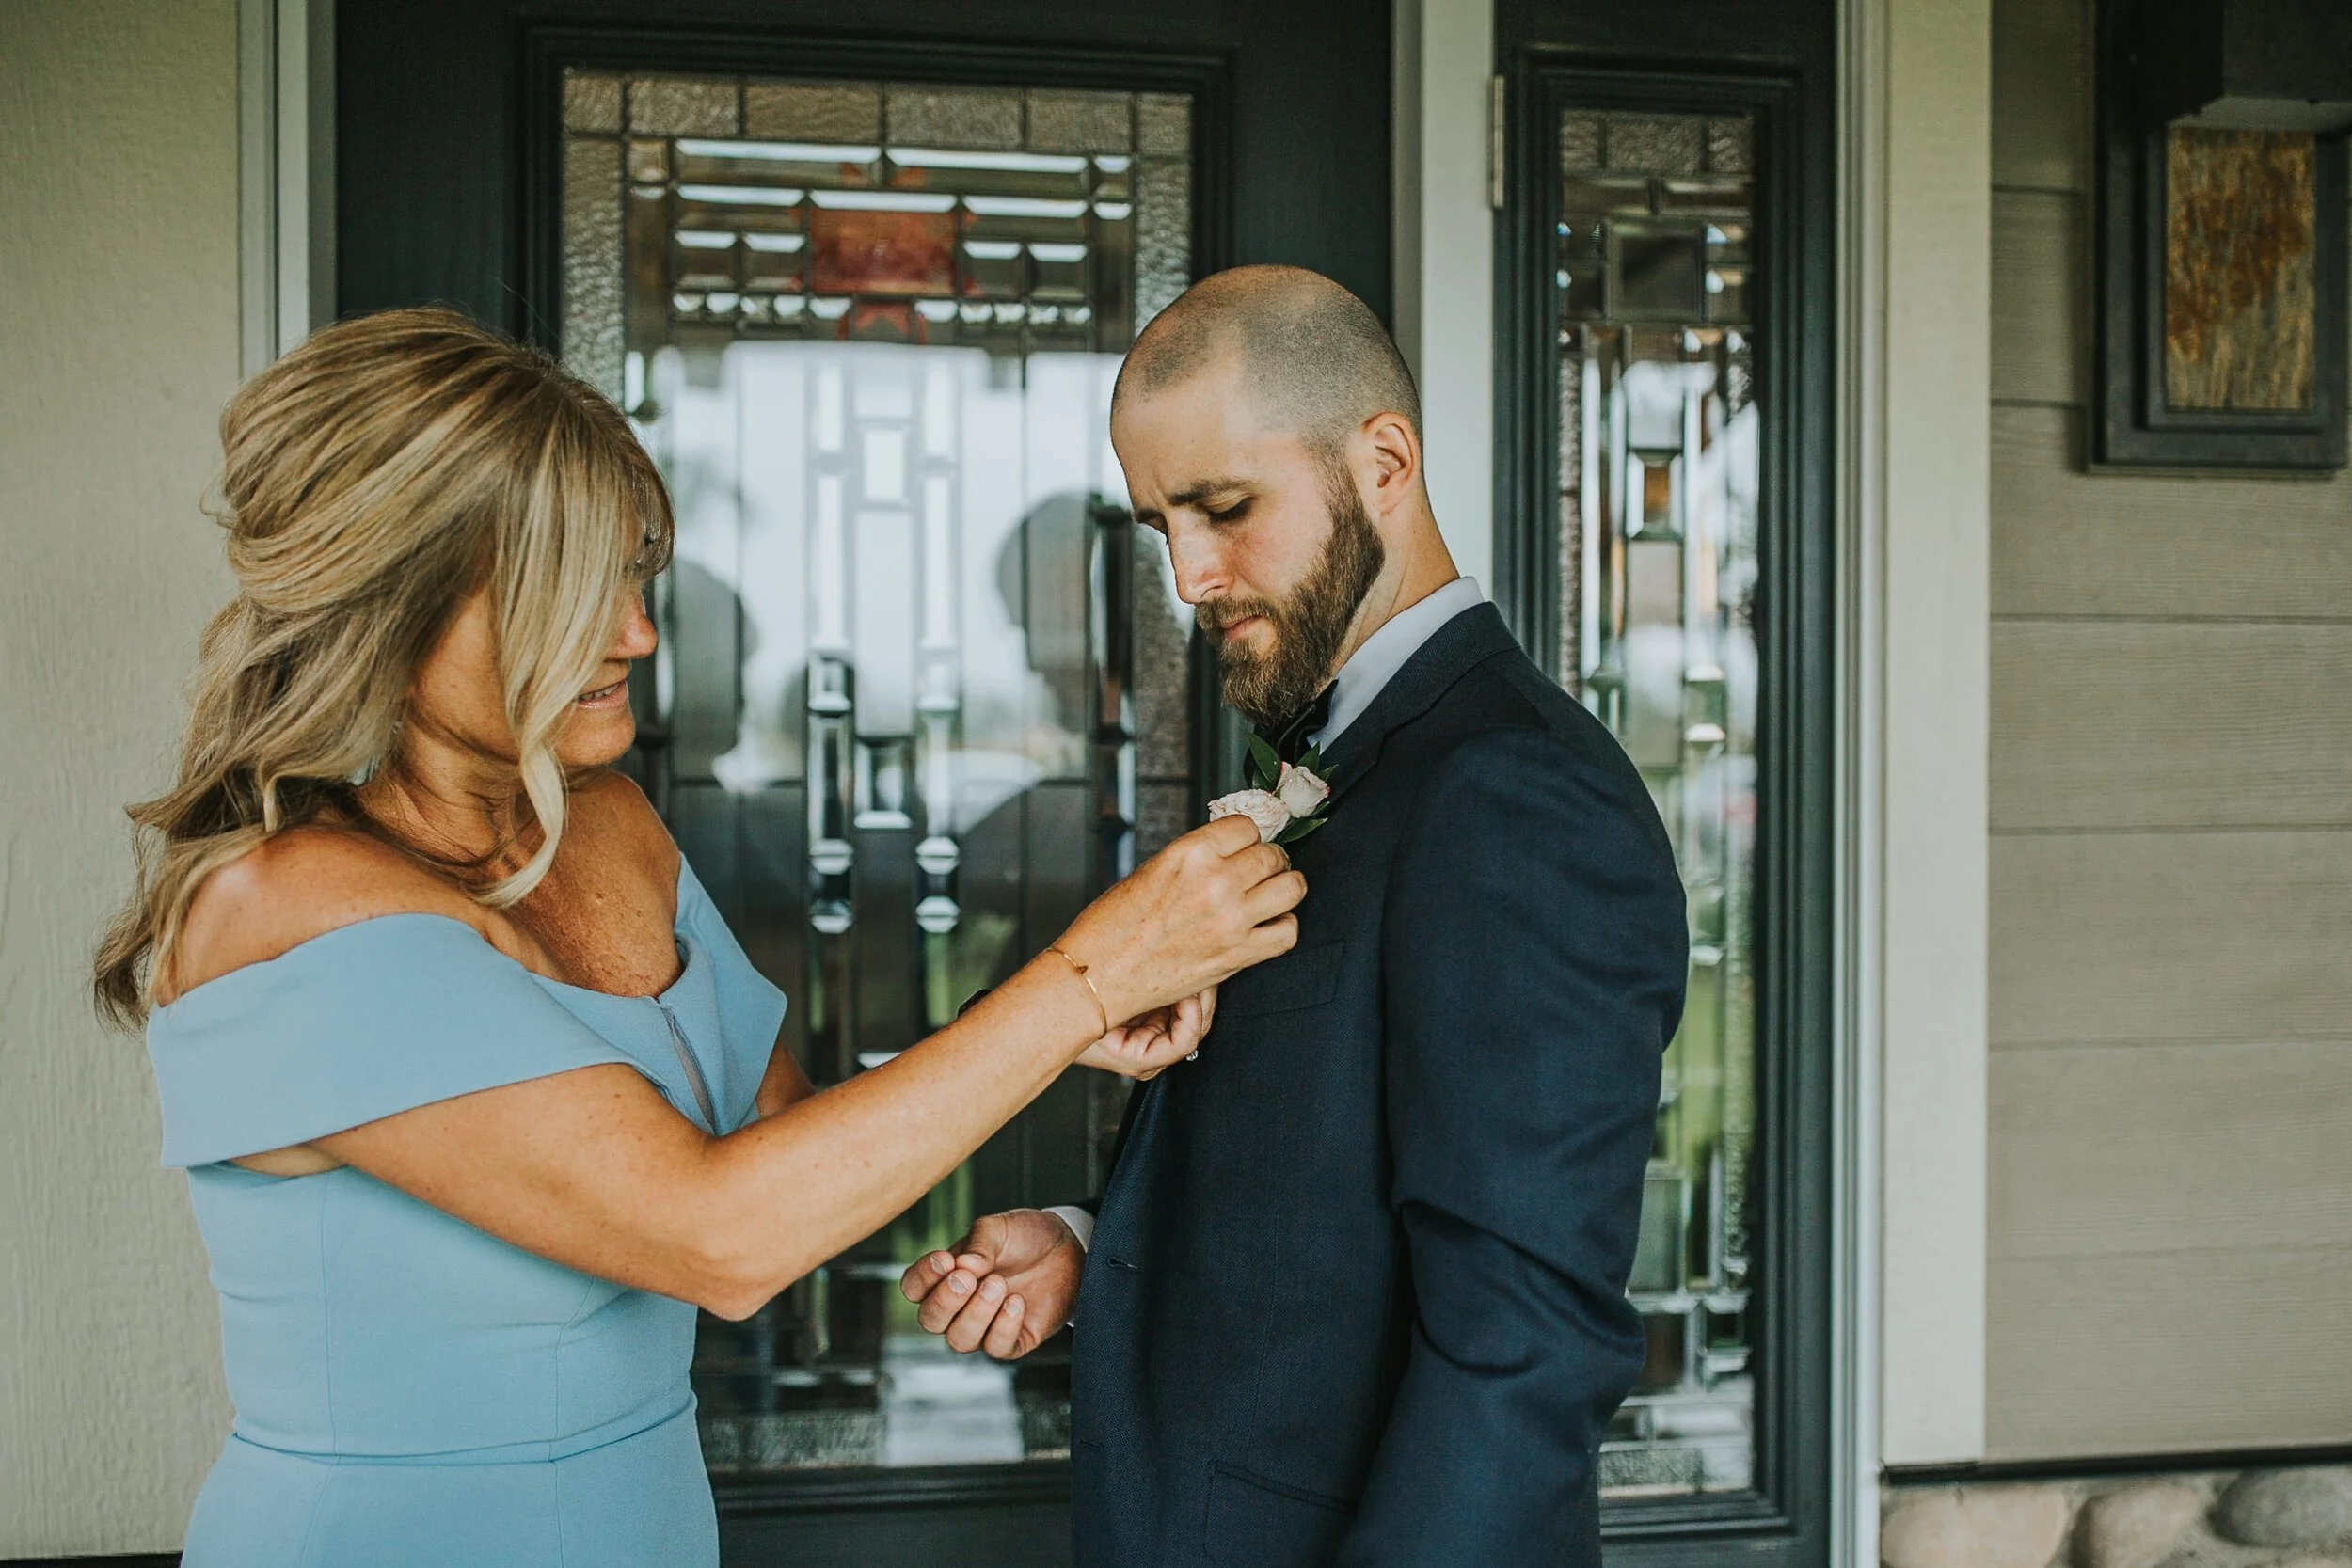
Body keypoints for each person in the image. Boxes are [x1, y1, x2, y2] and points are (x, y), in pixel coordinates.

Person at [92, 307, 1304, 1568]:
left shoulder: (605, 821)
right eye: (571, 588)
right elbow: (720, 1238)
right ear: (390, 602)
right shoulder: (276, 912)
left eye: (631, 576)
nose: (636, 634)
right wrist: (1085, 975)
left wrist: (1057, 1073)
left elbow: (777, 1154)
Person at [899, 266, 1690, 1566]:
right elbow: (1331, 1199)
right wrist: (1106, 1257)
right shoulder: (1355, 752)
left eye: (1224, 508)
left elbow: (1520, 1349)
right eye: (1161, 525)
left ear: (1383, 460)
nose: (1193, 576)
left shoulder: (1512, 791)